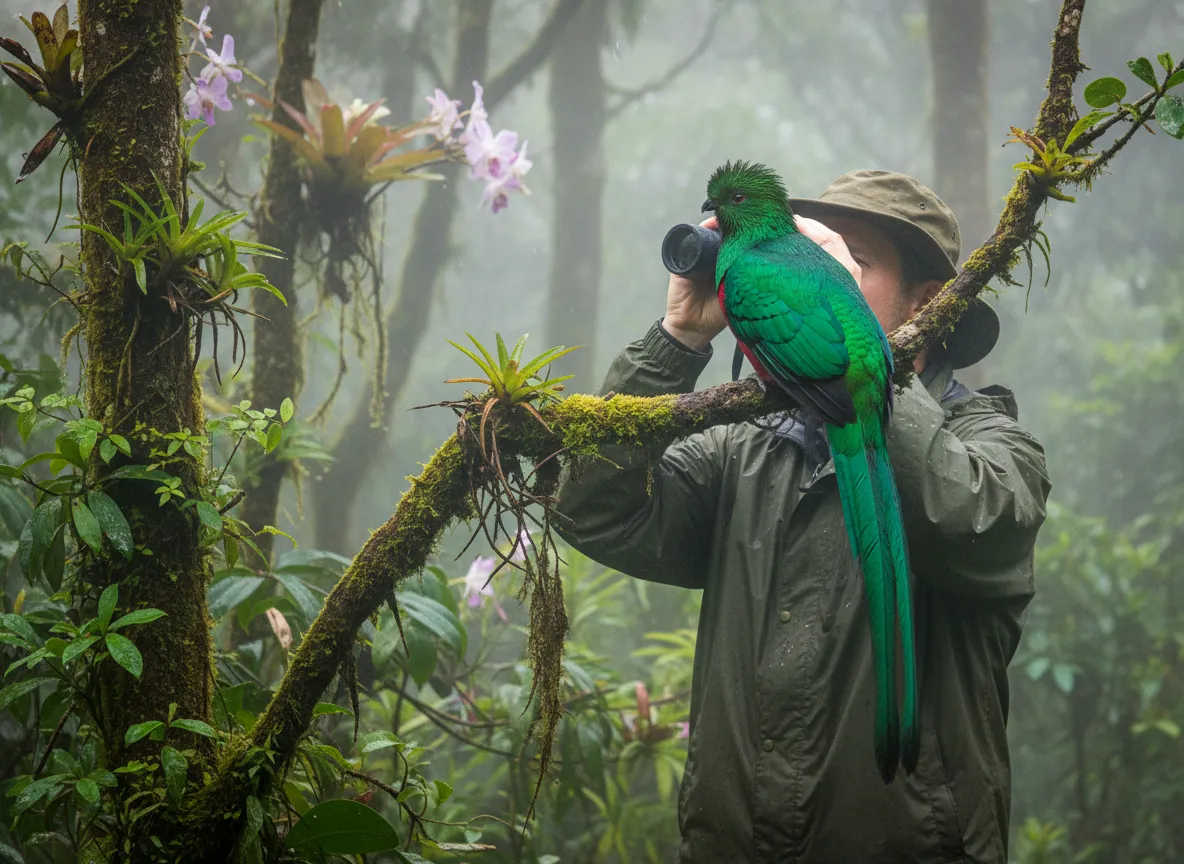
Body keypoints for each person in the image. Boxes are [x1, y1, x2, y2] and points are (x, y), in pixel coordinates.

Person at [554, 170, 1052, 863]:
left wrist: (867, 352)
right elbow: (593, 511)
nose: (815, 267)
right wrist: (677, 342)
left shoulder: (997, 448)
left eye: (853, 259)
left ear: (929, 302)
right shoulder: (744, 452)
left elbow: (964, 516)